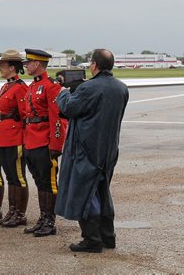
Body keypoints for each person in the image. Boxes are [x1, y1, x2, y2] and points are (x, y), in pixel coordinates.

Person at [55, 49, 129, 253]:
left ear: (94, 65)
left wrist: (63, 92)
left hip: (86, 150)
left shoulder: (89, 88)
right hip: (108, 149)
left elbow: (68, 109)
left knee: (84, 194)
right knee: (103, 193)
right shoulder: (121, 88)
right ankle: (108, 236)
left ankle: (92, 239)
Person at [22, 49, 67, 236]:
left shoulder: (51, 86)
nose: (26, 65)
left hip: (44, 142)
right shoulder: (33, 86)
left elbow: (58, 118)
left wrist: (56, 145)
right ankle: (43, 217)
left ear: (37, 64)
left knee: (49, 183)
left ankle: (50, 221)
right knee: (40, 182)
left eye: (28, 62)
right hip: (32, 141)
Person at [0, 50, 28, 225]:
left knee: (18, 176)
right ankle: (12, 211)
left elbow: (25, 116)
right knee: (10, 176)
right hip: (3, 136)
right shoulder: (6, 87)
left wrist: (23, 140)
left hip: (14, 137)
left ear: (12, 68)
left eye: (3, 66)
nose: (0, 70)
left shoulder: (20, 88)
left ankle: (20, 214)